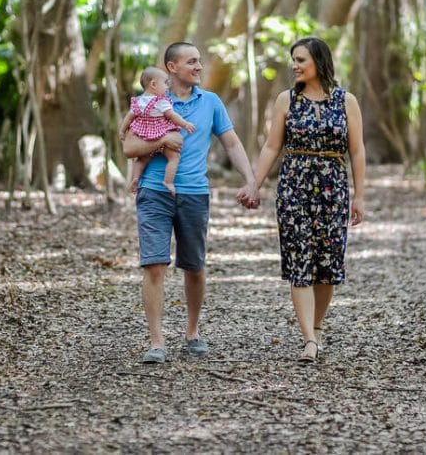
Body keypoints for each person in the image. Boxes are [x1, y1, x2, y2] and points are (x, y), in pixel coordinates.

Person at [122, 41, 260, 363]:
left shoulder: (211, 102)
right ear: (172, 67)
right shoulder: (152, 99)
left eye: (199, 61)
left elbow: (231, 143)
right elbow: (129, 147)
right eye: (192, 61)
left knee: (194, 266)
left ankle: (192, 331)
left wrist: (251, 179)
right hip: (155, 191)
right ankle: (157, 342)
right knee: (154, 264)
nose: (199, 66)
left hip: (195, 192)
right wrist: (160, 141)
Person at [250, 37, 365, 362]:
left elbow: (356, 151)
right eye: (294, 60)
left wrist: (360, 197)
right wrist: (254, 184)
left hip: (333, 189)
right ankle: (309, 340)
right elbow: (272, 146)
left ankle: (316, 328)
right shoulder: (286, 100)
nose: (295, 65)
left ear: (319, 61)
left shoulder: (346, 101)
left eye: (301, 59)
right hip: (294, 188)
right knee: (300, 261)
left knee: (327, 265)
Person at [118, 66, 197, 195]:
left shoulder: (138, 101)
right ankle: (168, 181)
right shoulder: (160, 101)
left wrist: (122, 130)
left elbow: (129, 117)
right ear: (153, 84)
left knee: (141, 160)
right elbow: (172, 115)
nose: (168, 87)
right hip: (160, 133)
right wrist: (185, 124)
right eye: (165, 83)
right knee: (174, 157)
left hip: (143, 136)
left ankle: (135, 179)